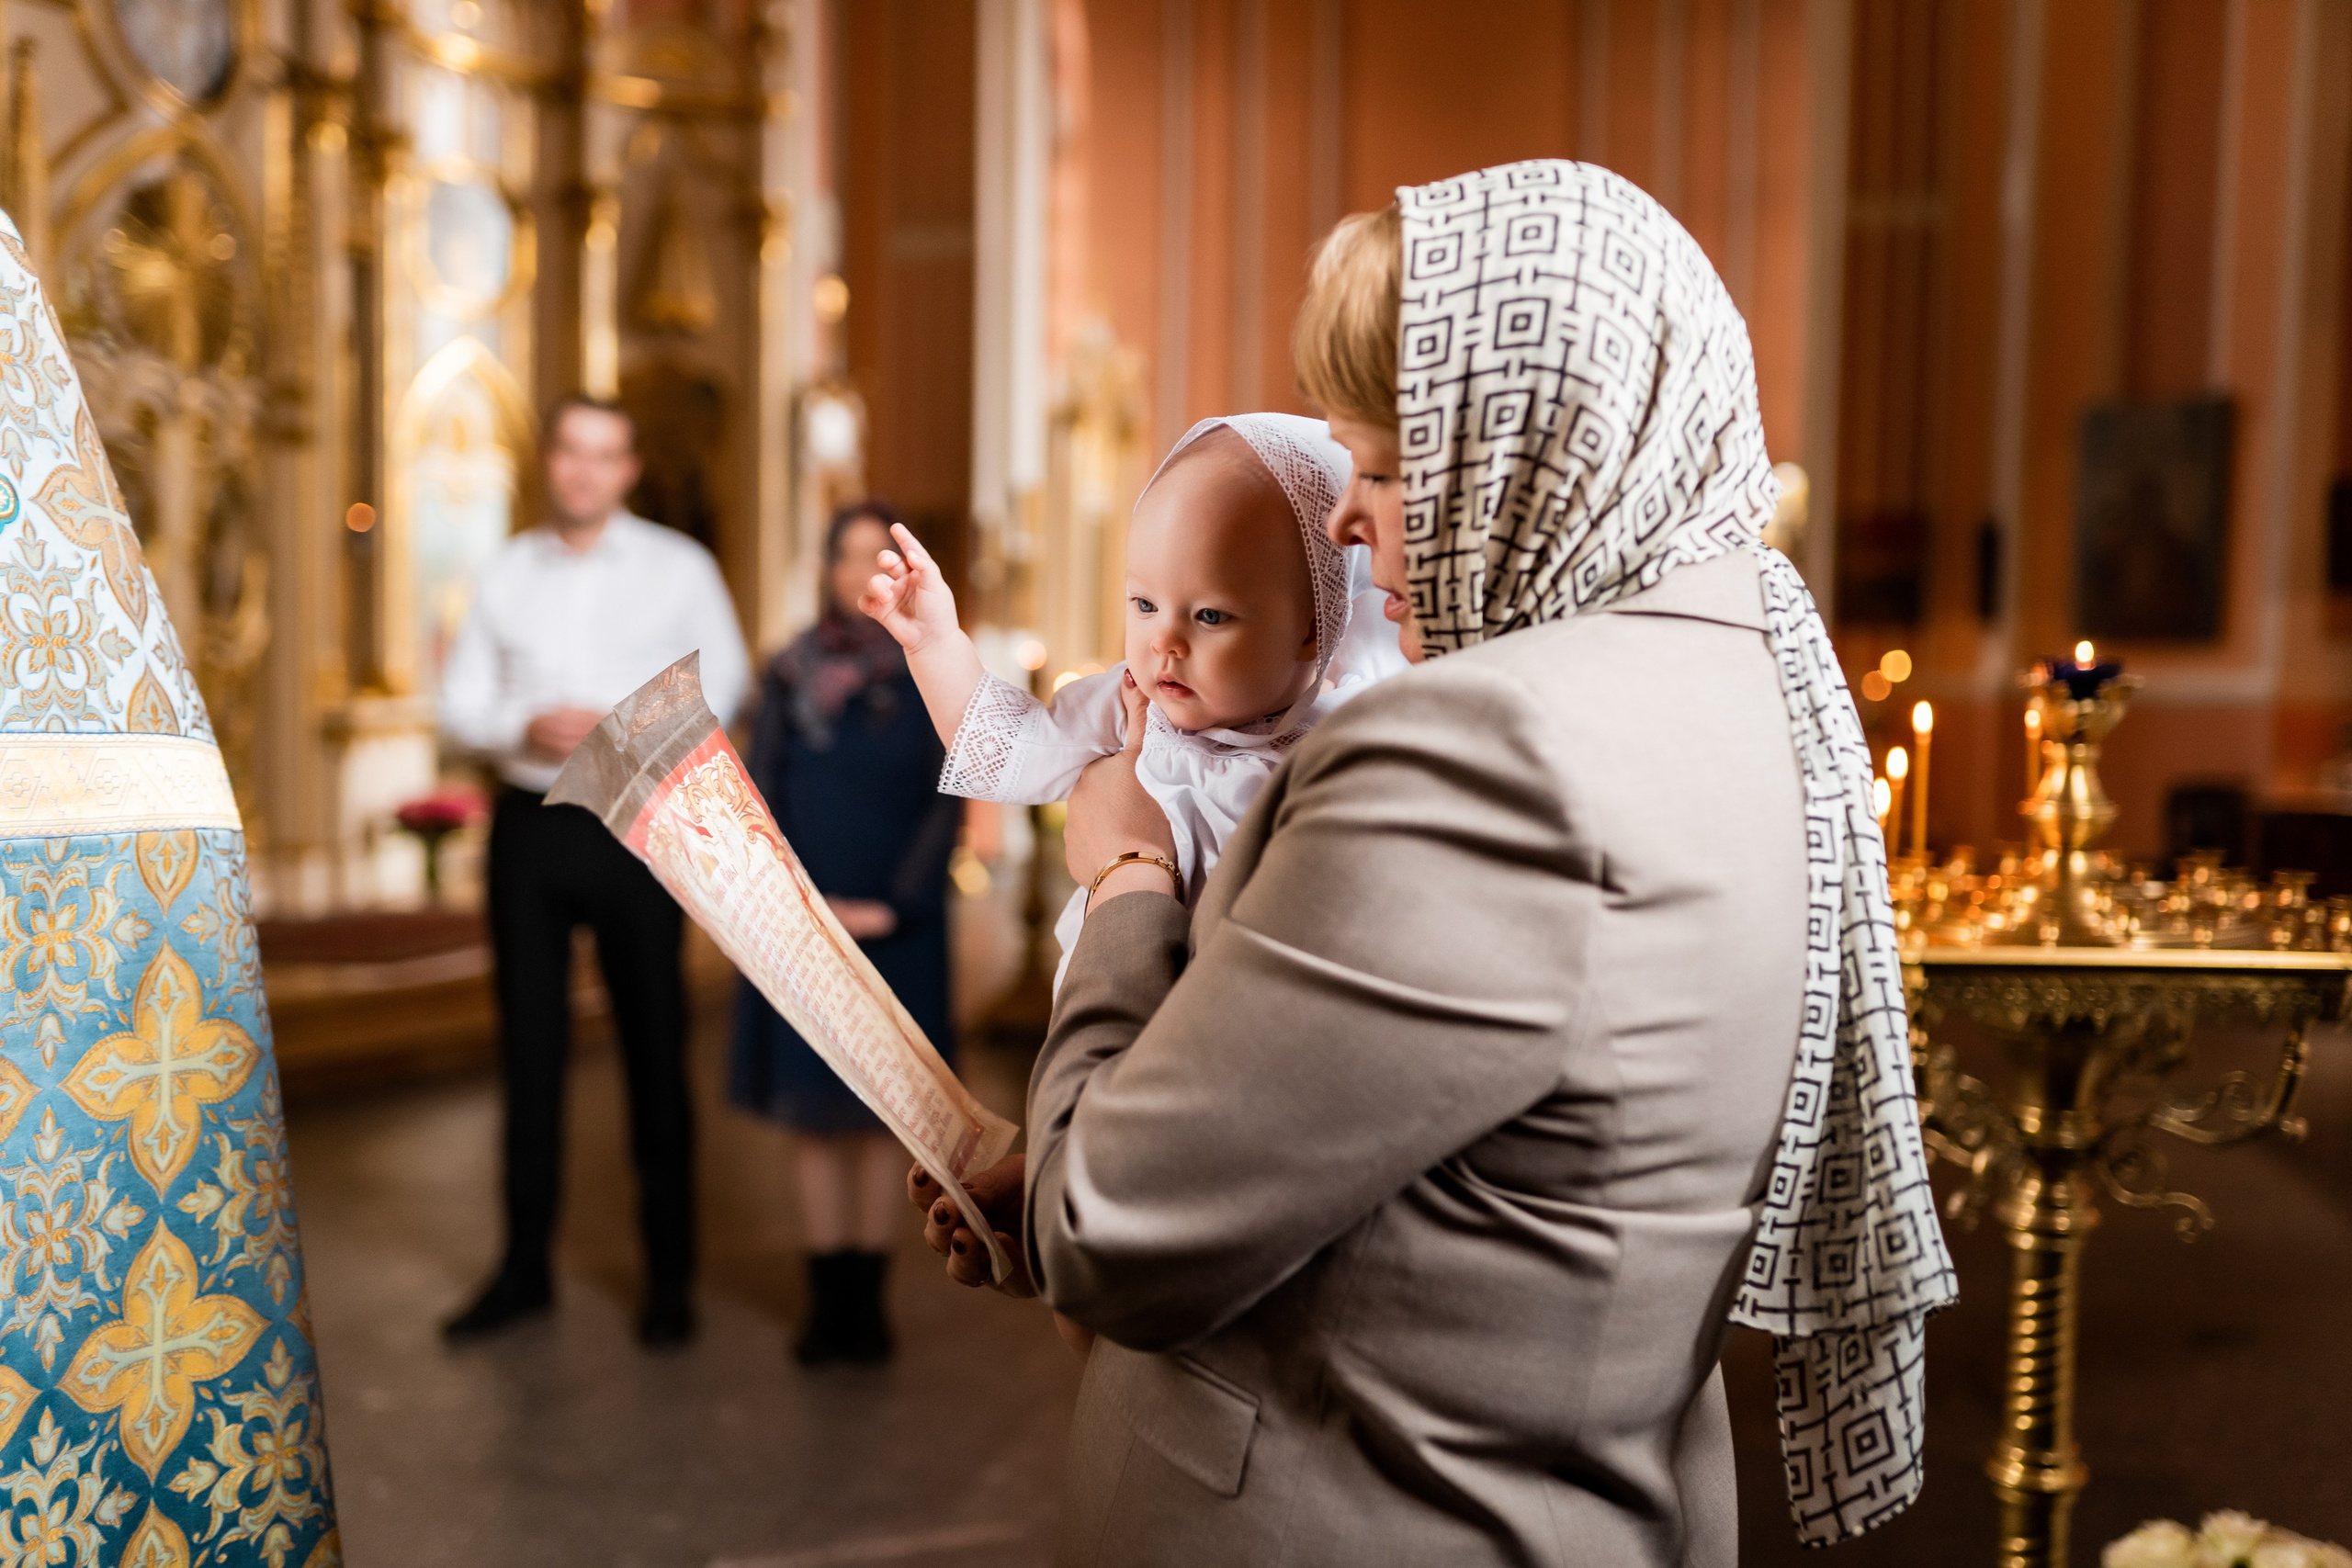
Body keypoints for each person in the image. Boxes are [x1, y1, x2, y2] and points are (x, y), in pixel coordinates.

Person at [912, 162, 1956, 1563]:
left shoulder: (1486, 758)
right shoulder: (1749, 679)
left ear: (1549, 453)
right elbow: (1370, 1116)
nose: (1350, 523)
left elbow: (1113, 1231)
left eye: (1393, 472)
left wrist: (1125, 887)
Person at [860, 414, 1406, 989]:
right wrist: (936, 643)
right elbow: (1006, 746)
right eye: (1144, 604)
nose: (1163, 642)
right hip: (1114, 1004)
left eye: (1210, 615)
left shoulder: (1343, 744)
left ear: (1313, 628)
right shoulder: (1131, 705)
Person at [439, 393, 752, 1348]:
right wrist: (514, 728)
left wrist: (623, 734)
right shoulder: (504, 571)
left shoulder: (679, 566)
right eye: (570, 451)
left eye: (604, 454)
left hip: (632, 818)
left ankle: (669, 1282)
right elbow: (457, 705)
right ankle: (522, 1269)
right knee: (527, 1053)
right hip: (529, 823)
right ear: (549, 461)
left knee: (655, 1046)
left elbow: (727, 681)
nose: (584, 470)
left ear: (627, 470)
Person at [729, 501, 961, 1365]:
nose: (861, 568)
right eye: (845, 554)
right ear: (826, 569)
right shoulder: (789, 672)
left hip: (903, 916)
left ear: (901, 571)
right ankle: (826, 1301)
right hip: (806, 919)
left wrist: (894, 905)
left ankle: (870, 1305)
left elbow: (952, 791)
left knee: (884, 1119)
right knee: (815, 1118)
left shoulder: (930, 663)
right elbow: (764, 790)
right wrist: (802, 903)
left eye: (879, 554)